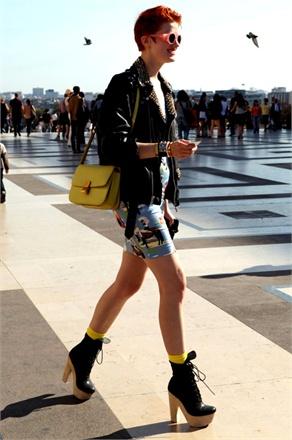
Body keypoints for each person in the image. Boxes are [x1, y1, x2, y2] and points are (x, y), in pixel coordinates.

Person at [63, 5, 216, 429]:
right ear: (146, 38)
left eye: (179, 37)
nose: (176, 44)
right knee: (176, 283)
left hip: (155, 200)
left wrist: (170, 185)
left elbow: (162, 152)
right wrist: (167, 149)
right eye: (170, 37)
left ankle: (83, 353)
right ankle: (182, 381)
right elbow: (115, 148)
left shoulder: (162, 86)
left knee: (129, 283)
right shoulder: (124, 85)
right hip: (135, 202)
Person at [68, 86, 83, 153]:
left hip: (73, 118)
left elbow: (70, 109)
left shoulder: (71, 98)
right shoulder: (79, 98)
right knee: (78, 134)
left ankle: (74, 149)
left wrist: (71, 117)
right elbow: (80, 109)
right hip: (78, 118)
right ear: (78, 90)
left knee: (73, 134)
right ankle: (78, 148)